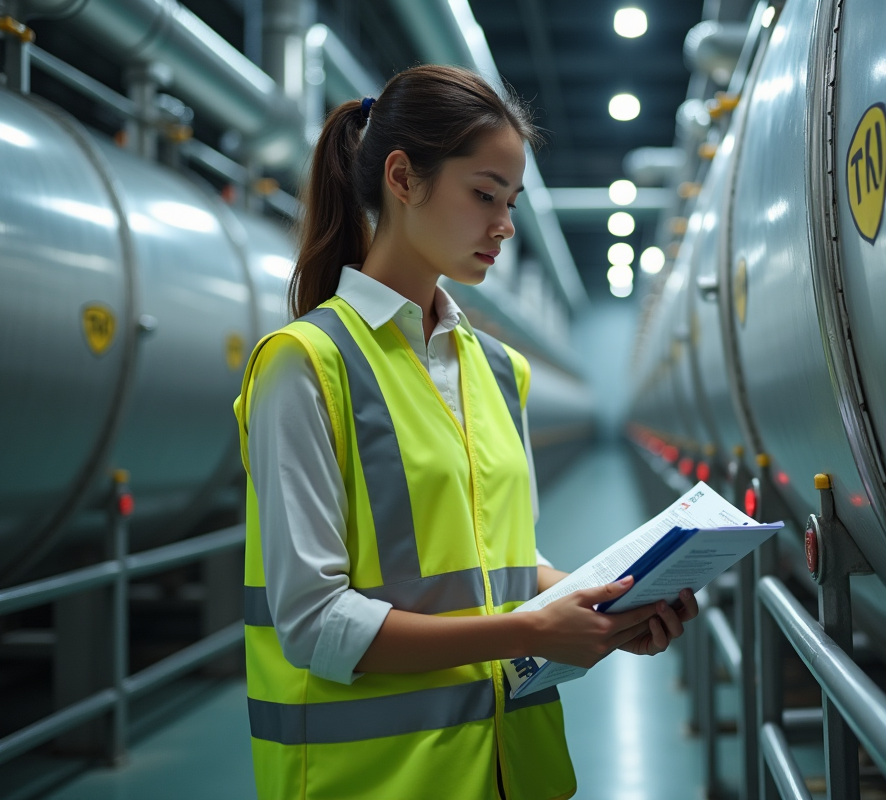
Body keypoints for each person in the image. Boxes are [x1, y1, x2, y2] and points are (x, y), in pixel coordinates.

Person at [233, 64, 699, 800]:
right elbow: (316, 625)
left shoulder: (497, 368)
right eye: (484, 194)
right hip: (378, 781)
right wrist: (528, 633)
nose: (504, 225)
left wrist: (609, 609)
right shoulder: (304, 366)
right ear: (402, 178)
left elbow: (508, 564)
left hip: (514, 768)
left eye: (510, 202)